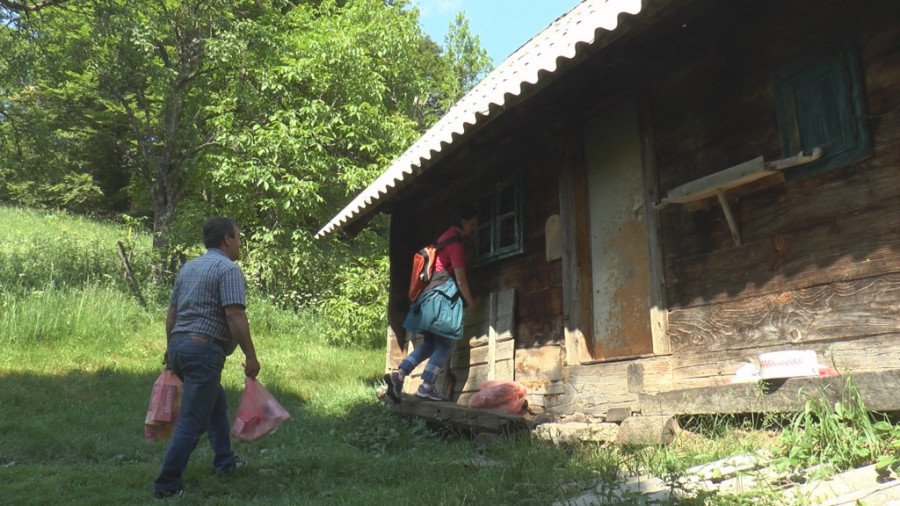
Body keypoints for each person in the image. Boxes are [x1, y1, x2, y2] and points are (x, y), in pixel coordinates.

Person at [153, 217, 260, 499]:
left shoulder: (189, 267)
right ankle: (167, 483)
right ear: (227, 239)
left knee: (216, 402)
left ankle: (225, 462)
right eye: (238, 237)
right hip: (203, 350)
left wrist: (170, 348)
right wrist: (251, 356)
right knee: (192, 419)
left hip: (179, 346)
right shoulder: (228, 269)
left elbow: (172, 313)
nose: (240, 243)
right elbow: (235, 315)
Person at [385, 204, 478, 402]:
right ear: (463, 223)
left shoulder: (442, 240)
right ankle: (427, 385)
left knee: (429, 344)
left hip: (427, 300)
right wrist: (472, 301)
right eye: (472, 224)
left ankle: (398, 375)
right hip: (441, 300)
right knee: (447, 344)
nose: (474, 229)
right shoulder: (456, 246)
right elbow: (460, 280)